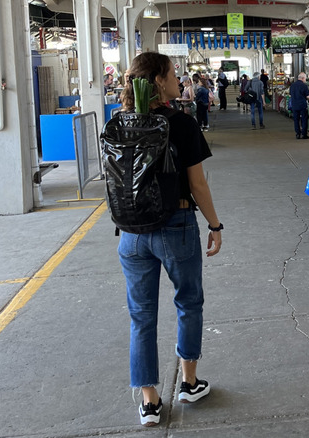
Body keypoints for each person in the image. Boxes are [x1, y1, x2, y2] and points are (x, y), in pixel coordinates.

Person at [117, 51, 223, 427]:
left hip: (131, 232)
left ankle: (149, 402)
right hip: (175, 224)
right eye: (174, 73)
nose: (179, 79)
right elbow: (197, 184)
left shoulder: (120, 121)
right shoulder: (180, 123)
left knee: (141, 317)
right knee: (188, 303)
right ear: (159, 81)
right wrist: (214, 225)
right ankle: (189, 383)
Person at [290, 72, 309, 139]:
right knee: (304, 119)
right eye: (305, 78)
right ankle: (304, 134)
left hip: (294, 105)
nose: (305, 80)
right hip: (302, 105)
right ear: (302, 78)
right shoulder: (304, 86)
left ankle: (297, 133)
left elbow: (290, 94)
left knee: (296, 120)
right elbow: (308, 96)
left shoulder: (292, 85)